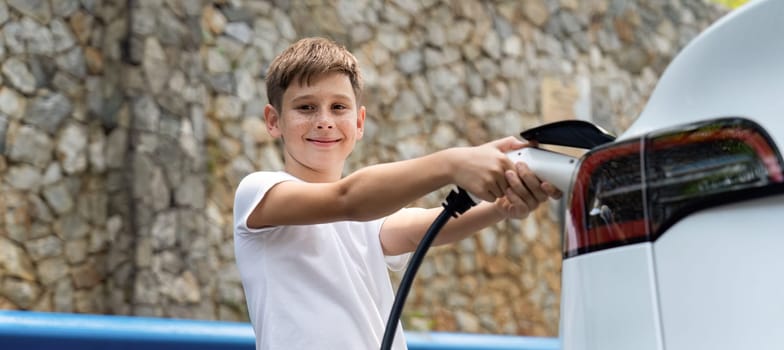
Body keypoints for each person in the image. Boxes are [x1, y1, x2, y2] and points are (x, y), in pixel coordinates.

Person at [233, 37, 561, 350]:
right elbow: (347, 199)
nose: (324, 121)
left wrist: (503, 205)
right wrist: (453, 162)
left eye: (338, 107)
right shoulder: (259, 192)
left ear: (359, 123)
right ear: (273, 121)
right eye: (306, 107)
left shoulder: (370, 218)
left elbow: (429, 226)